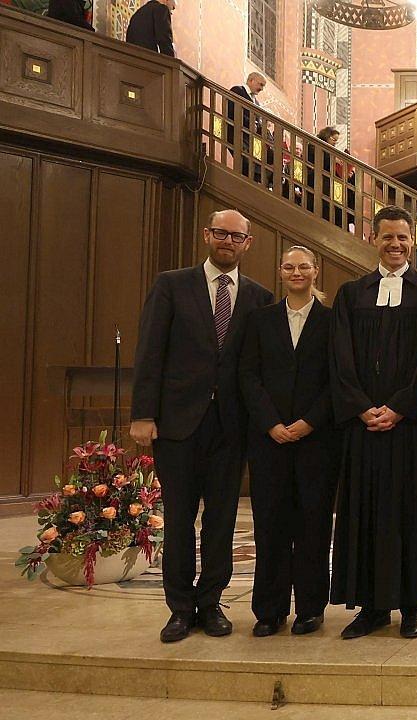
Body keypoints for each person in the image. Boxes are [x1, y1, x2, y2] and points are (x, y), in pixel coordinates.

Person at [129, 210, 273, 643]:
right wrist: (143, 414)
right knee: (179, 518)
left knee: (222, 519)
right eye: (221, 233)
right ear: (207, 235)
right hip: (177, 423)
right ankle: (179, 608)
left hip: (231, 427)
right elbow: (150, 351)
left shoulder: (259, 297)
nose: (228, 241)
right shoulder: (172, 284)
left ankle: (210, 602)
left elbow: (260, 367)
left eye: (237, 236)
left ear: (248, 243)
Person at [329, 205, 417, 640]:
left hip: (409, 426)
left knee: (410, 513)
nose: (395, 245)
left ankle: (413, 605)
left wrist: (399, 407)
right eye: (387, 237)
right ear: (373, 239)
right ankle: (371, 607)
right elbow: (340, 358)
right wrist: (362, 407)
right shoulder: (352, 293)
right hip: (363, 426)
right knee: (364, 511)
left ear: (412, 242)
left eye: (402, 237)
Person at [238, 246, 336, 638]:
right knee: (271, 526)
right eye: (289, 266)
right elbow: (248, 376)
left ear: (316, 271)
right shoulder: (259, 320)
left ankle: (311, 608)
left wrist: (309, 421)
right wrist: (271, 424)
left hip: (317, 441)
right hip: (269, 441)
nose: (297, 272)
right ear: (280, 272)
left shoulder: (332, 322)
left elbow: (338, 379)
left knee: (313, 527)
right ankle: (269, 609)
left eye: (304, 266)